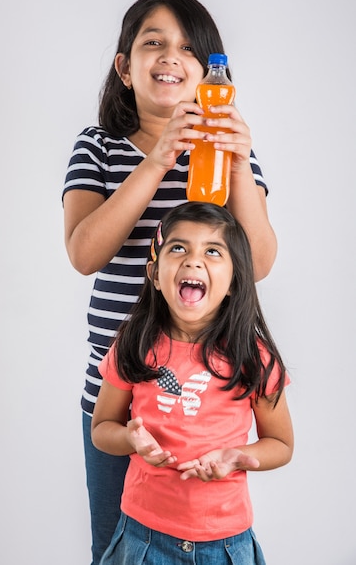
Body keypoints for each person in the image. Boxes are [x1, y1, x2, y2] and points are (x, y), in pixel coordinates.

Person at [62, 0, 278, 564]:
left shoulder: (228, 153)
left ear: (211, 76)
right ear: (124, 68)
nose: (170, 55)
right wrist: (157, 158)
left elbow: (258, 261)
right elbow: (85, 253)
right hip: (118, 388)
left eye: (189, 48)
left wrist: (236, 163)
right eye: (152, 42)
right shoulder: (99, 147)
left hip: (207, 398)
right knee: (116, 549)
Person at [91, 201, 294, 565]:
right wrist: (129, 439)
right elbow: (101, 428)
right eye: (178, 247)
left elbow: (280, 444)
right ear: (154, 274)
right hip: (142, 536)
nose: (193, 260)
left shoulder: (253, 355)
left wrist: (238, 459)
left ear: (234, 281)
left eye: (213, 251)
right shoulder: (132, 344)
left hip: (225, 542)